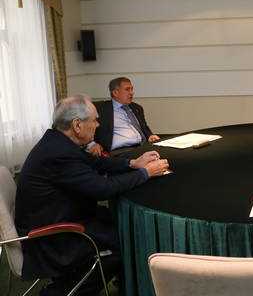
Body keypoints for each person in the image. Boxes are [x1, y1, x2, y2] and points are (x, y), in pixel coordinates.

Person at [15, 95, 169, 296]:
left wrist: (132, 163)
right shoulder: (60, 153)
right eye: (95, 120)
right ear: (77, 125)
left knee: (123, 224)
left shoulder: (57, 141)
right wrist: (146, 173)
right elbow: (102, 189)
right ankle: (59, 292)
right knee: (125, 243)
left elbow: (96, 162)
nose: (98, 125)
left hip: (59, 215)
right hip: (53, 236)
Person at [88, 77, 160, 156]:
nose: (132, 93)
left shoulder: (136, 108)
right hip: (121, 151)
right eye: (127, 89)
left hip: (143, 147)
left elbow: (144, 128)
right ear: (115, 93)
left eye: (132, 89)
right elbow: (83, 126)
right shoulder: (100, 108)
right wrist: (91, 144)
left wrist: (150, 135)